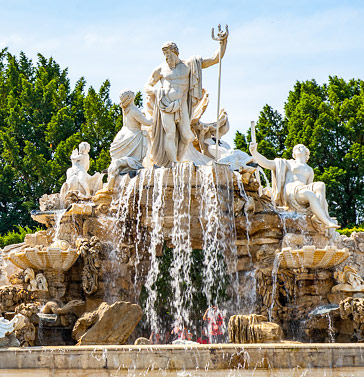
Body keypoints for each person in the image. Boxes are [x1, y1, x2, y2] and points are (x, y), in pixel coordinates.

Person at [144, 35, 228, 167]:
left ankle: (178, 158)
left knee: (186, 136)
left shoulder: (189, 65)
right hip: (165, 104)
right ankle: (174, 163)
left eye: (168, 53)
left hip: (181, 104)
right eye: (164, 54)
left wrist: (223, 42)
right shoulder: (160, 69)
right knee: (170, 133)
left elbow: (215, 59)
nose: (166, 57)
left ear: (175, 52)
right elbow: (147, 86)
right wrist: (156, 91)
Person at [248, 142, 339, 232]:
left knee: (320, 185)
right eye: (296, 148)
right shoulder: (287, 163)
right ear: (294, 154)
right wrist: (254, 153)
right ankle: (326, 221)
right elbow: (267, 163)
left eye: (301, 147)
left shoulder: (310, 170)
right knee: (310, 194)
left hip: (303, 190)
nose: (299, 148)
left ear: (306, 152)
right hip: (291, 189)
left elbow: (309, 185)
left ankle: (318, 216)